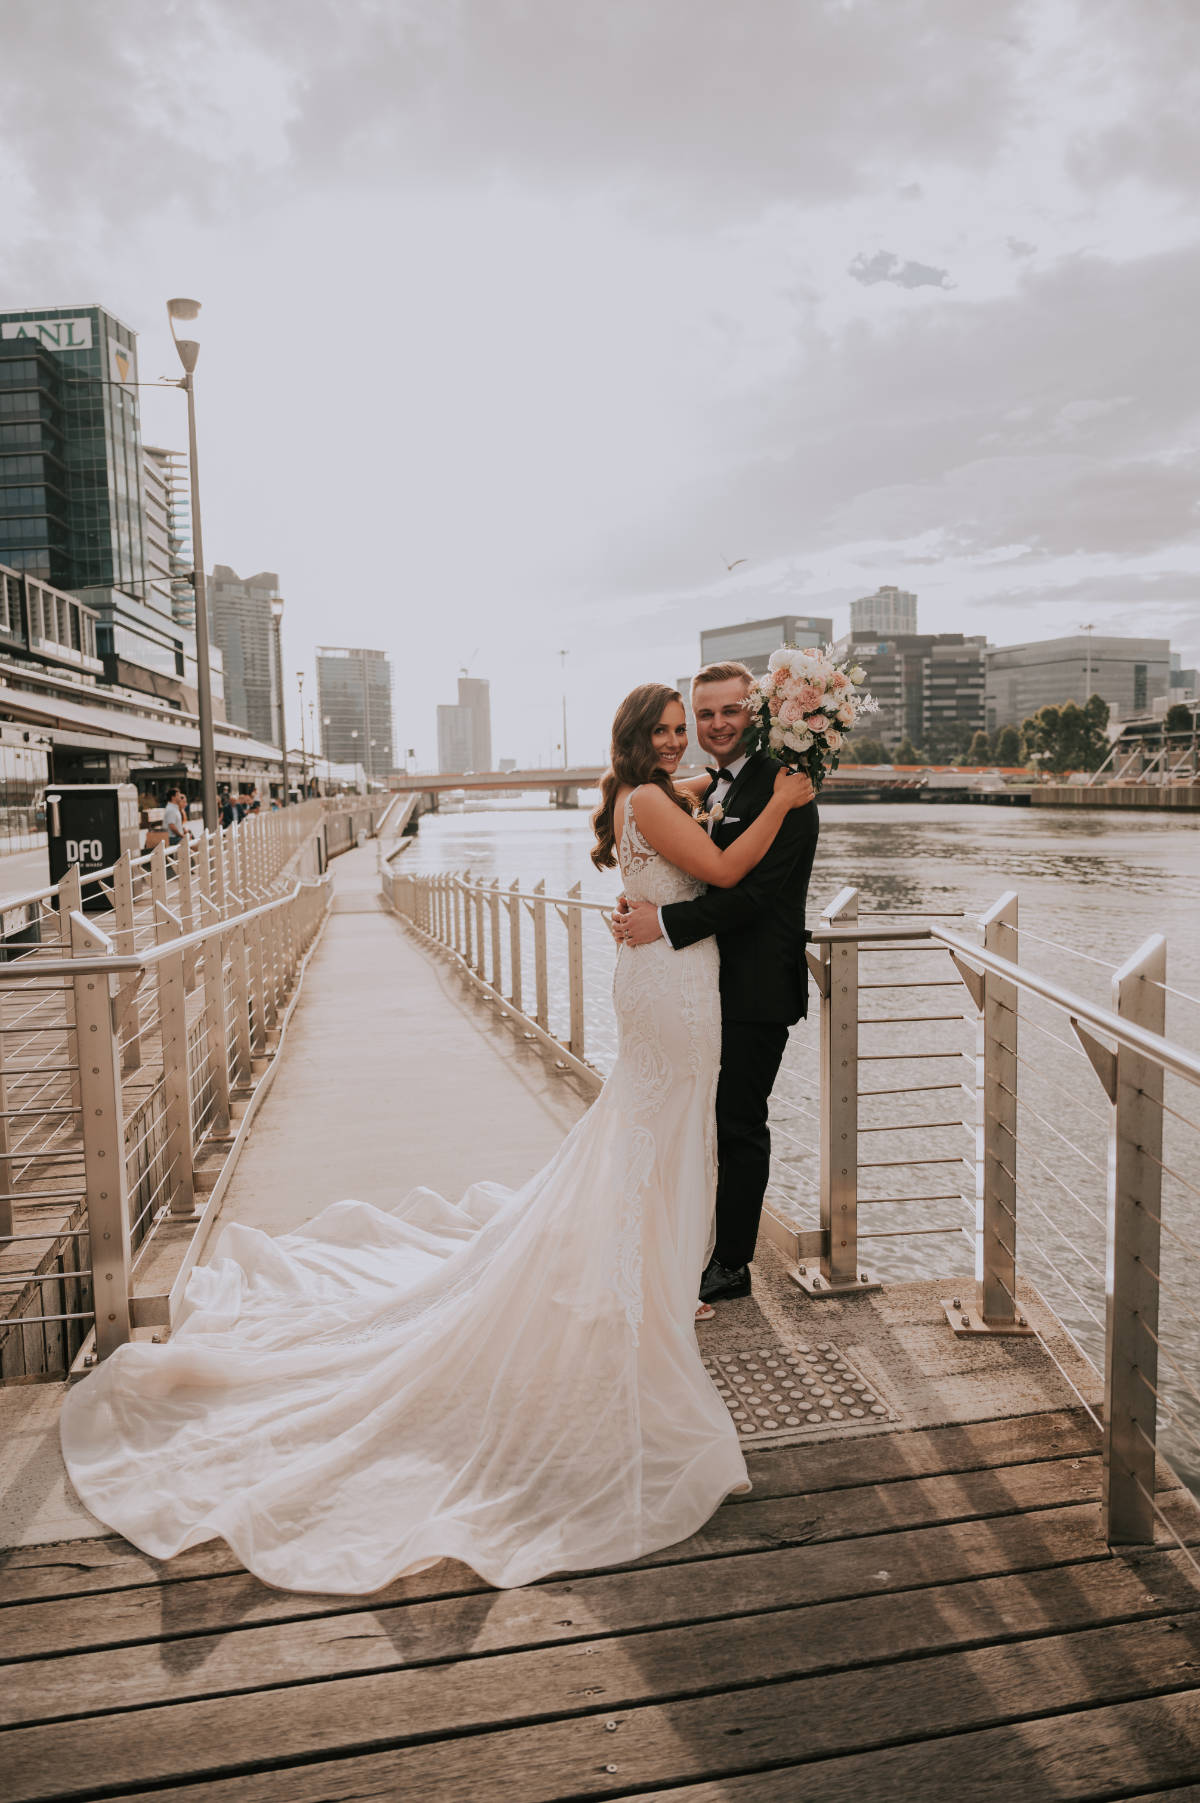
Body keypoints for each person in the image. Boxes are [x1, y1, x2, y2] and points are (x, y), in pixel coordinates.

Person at [59, 683, 811, 1597]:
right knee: (658, 1131)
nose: (680, 739)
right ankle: (649, 1285)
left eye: (682, 729)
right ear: (633, 737)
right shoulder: (656, 795)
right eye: (665, 729)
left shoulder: (644, 795)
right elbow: (726, 875)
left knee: (647, 1134)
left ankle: (648, 1275)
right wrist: (775, 801)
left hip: (665, 986)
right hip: (671, 991)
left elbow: (687, 819)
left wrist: (712, 796)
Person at [613, 661, 820, 1306]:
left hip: (754, 985)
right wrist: (640, 904)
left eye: (729, 711)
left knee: (737, 1123)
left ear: (755, 714)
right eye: (705, 715)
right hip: (692, 984)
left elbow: (757, 895)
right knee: (689, 1117)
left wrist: (663, 920)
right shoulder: (703, 787)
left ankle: (730, 1263)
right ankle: (687, 1239)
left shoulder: (787, 787)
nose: (715, 725)